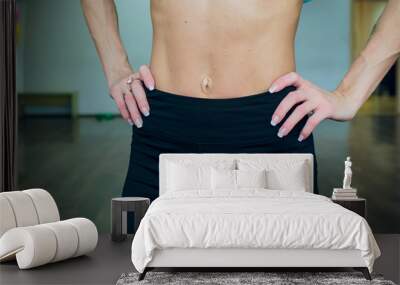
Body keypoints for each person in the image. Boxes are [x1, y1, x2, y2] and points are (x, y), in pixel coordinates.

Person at [81, 0, 400, 202]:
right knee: (139, 267)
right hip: (162, 127)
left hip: (270, 128)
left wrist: (349, 94)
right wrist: (115, 65)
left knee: (282, 273)